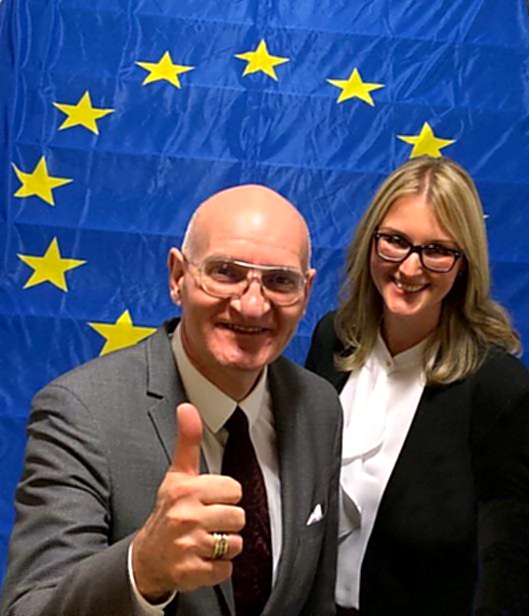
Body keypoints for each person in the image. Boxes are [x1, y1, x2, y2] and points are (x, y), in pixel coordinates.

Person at [0, 184, 342, 616]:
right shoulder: (81, 412)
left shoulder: (319, 407)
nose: (253, 306)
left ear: (306, 293)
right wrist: (143, 570)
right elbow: (28, 607)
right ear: (178, 277)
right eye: (226, 273)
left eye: (279, 281)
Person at [305, 157, 529, 615]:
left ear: (464, 264)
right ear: (370, 240)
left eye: (437, 250)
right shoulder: (334, 336)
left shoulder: (500, 388)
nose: (409, 268)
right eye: (395, 241)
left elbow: (508, 568)